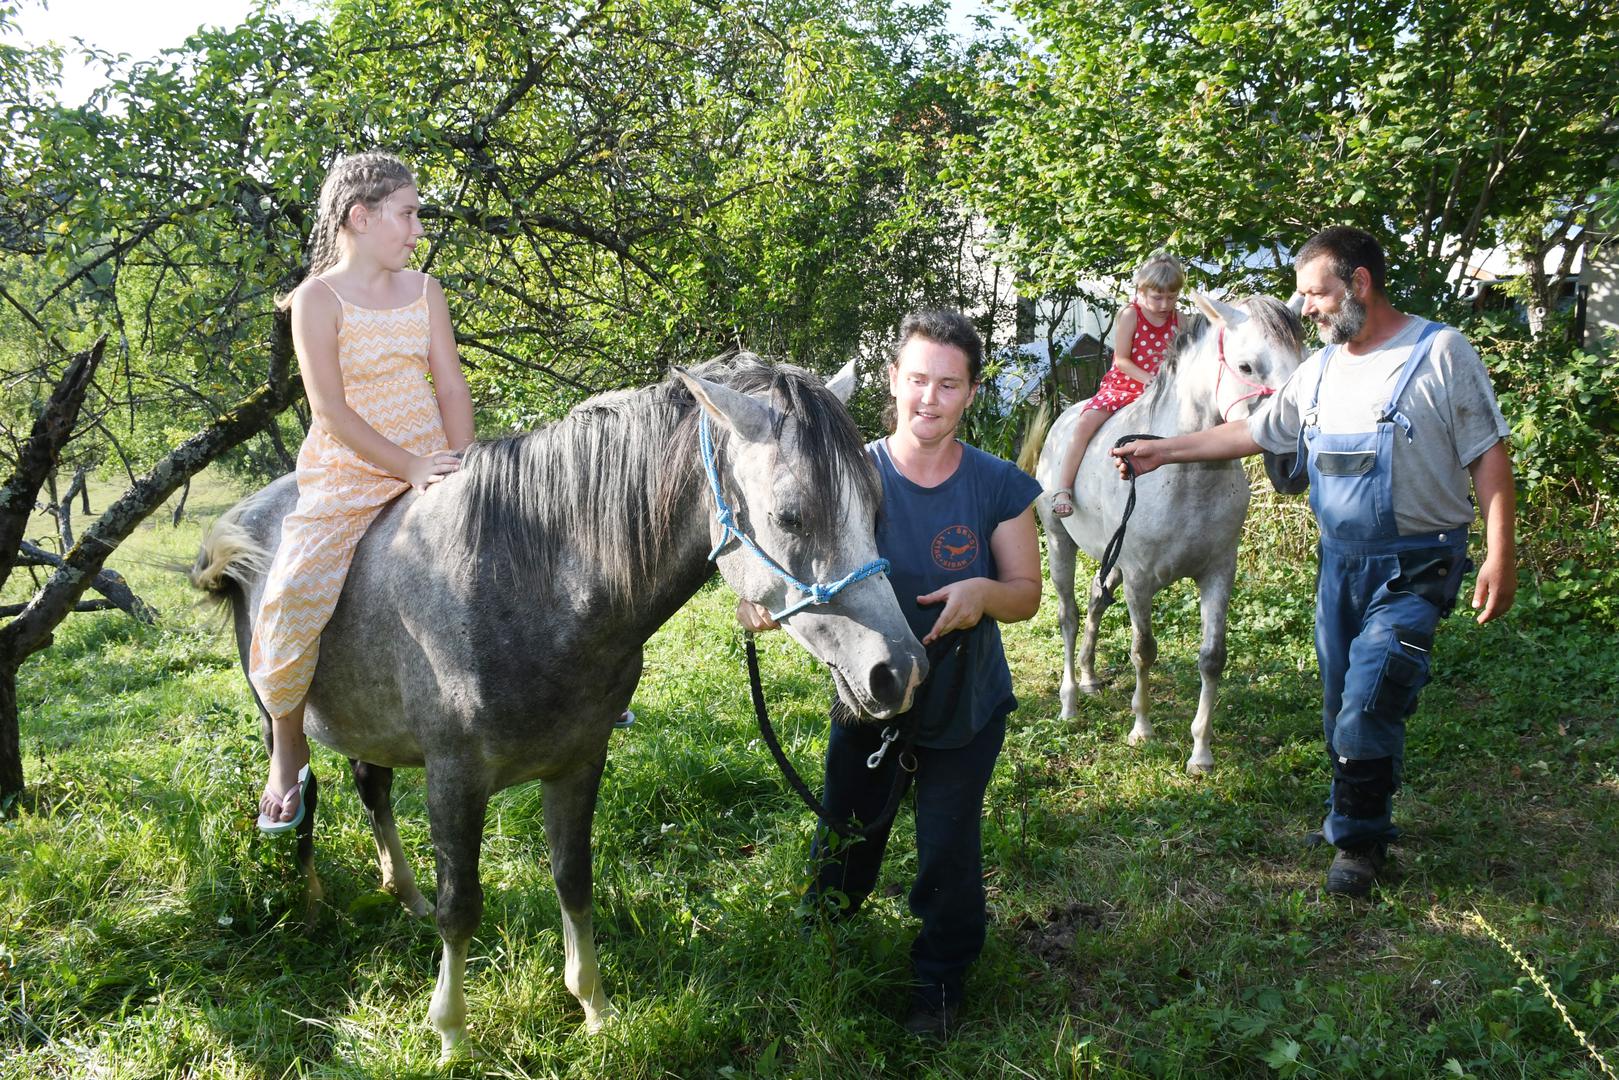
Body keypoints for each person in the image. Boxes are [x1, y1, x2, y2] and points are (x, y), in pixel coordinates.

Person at [1110, 227, 1516, 897]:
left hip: (1416, 562)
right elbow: (1255, 431)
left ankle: (1358, 846)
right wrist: (1164, 449)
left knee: (1370, 696)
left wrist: (1499, 553)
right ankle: (1350, 812)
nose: (1304, 310)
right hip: (1341, 563)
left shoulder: (1439, 351)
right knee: (1337, 708)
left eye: (1314, 294)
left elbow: (1487, 452)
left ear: (1357, 285)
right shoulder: (1320, 370)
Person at [737, 310, 1042, 1038]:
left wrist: (981, 596)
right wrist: (759, 602)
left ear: (969, 392)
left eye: (947, 384)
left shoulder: (999, 484)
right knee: (846, 831)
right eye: (916, 380)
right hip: (866, 697)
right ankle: (825, 946)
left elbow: (1026, 594)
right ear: (892, 382)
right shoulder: (850, 472)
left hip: (962, 701)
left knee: (947, 846)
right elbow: (786, 556)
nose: (928, 399)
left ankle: (939, 982)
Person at [251, 152, 474, 833]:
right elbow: (332, 413)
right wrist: (404, 467)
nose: (415, 230)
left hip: (436, 461)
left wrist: (459, 461)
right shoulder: (317, 300)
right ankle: (287, 745)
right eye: (407, 214)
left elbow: (450, 385)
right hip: (351, 471)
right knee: (290, 595)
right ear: (361, 215)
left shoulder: (425, 290)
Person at [1050, 251, 1185, 517]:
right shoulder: (1130, 315)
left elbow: (1180, 357)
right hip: (1125, 384)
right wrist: (1149, 380)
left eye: (1171, 297)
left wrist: (1167, 382)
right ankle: (1063, 487)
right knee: (1084, 424)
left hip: (1163, 388)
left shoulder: (1179, 320)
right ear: (1141, 291)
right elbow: (1121, 360)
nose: (1164, 304)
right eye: (1157, 297)